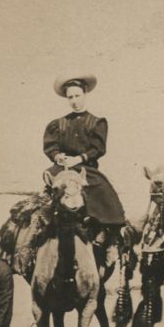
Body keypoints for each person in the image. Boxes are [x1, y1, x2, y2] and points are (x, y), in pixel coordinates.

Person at [43, 73, 126, 265]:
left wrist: (79, 159)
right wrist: (58, 156)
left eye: (77, 96)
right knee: (48, 183)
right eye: (70, 97)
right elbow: (50, 146)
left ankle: (110, 235)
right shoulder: (58, 123)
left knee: (103, 188)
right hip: (62, 167)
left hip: (85, 167)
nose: (73, 101)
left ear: (85, 94)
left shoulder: (96, 122)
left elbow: (98, 148)